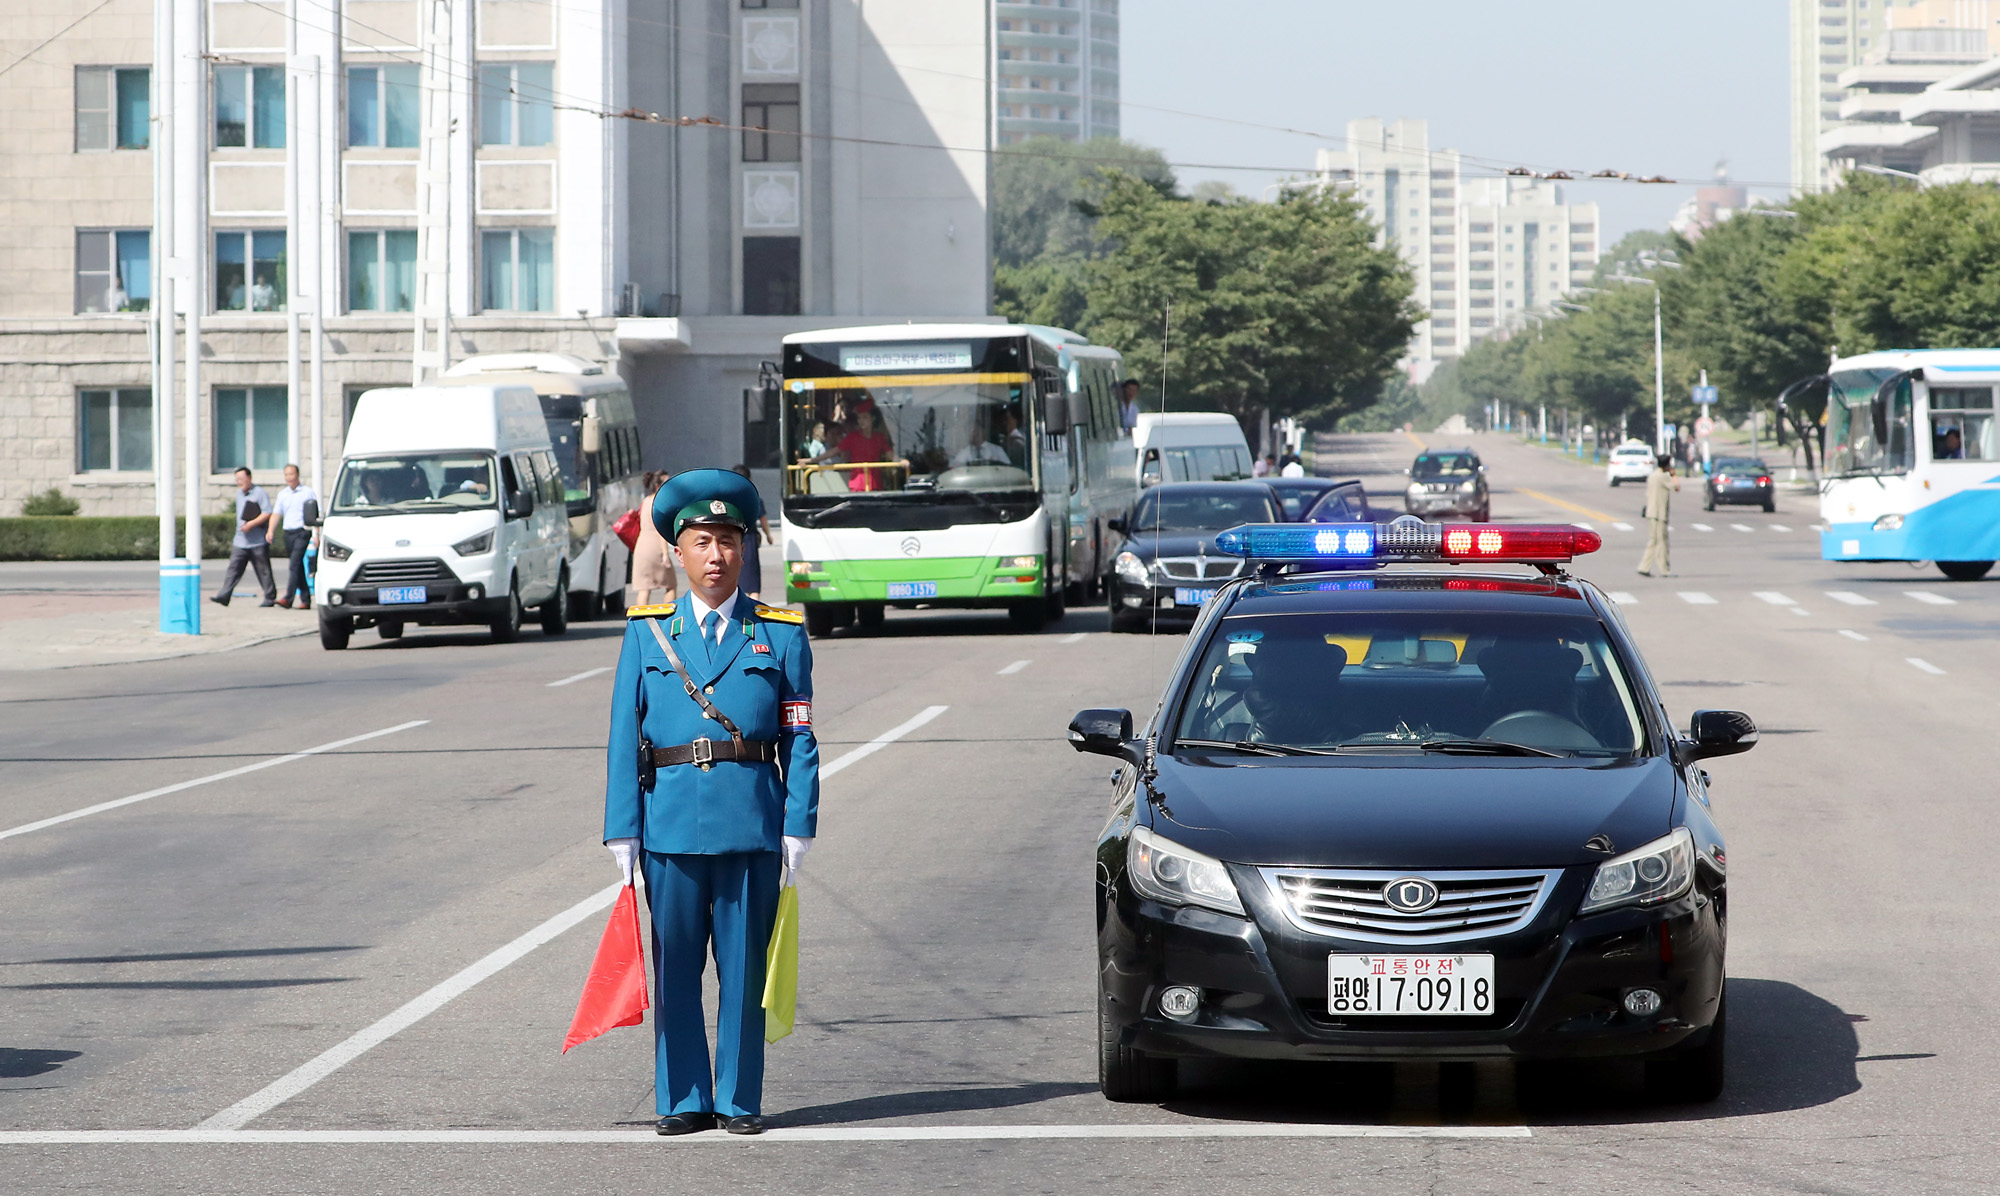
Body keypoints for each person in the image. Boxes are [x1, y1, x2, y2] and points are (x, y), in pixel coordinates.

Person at [602, 469, 819, 1137]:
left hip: (751, 824)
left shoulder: (779, 634)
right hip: (668, 828)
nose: (716, 555)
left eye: (728, 540)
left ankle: (737, 1098)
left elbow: (799, 733)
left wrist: (798, 823)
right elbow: (622, 736)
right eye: (701, 541)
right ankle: (683, 1097)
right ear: (677, 550)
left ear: (746, 548)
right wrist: (622, 830)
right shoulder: (647, 633)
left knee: (746, 972)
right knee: (674, 973)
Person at [210, 467, 276, 607]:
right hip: (240, 541)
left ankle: (270, 597)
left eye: (241, 479)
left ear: (249, 478)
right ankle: (224, 595)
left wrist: (251, 524)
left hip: (257, 541)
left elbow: (267, 513)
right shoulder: (239, 494)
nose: (239, 482)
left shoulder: (259, 493)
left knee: (263, 571)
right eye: (237, 480)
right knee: (233, 569)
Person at [812, 400, 898, 491]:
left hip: (875, 483)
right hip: (858, 484)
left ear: (873, 418)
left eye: (865, 417)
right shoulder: (853, 437)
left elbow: (891, 455)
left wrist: (902, 461)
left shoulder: (879, 438)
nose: (861, 421)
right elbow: (834, 451)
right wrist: (812, 460)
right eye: (859, 418)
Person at [267, 463, 319, 610]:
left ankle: (288, 598)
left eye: (291, 474)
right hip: (288, 533)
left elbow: (315, 514)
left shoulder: (308, 492)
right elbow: (277, 513)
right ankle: (305, 600)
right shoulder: (282, 494)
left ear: (297, 475)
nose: (289, 478)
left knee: (294, 565)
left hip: (302, 532)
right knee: (298, 567)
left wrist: (316, 534)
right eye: (286, 475)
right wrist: (270, 530)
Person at [629, 471, 677, 607]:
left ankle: (641, 620)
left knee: (644, 589)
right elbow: (660, 531)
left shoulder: (645, 501)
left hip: (641, 546)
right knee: (670, 584)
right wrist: (665, 554)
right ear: (657, 486)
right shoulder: (660, 503)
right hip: (656, 547)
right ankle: (669, 616)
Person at [730, 464, 775, 599]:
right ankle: (753, 613)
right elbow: (763, 520)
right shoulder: (754, 499)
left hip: (732, 540)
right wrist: (768, 535)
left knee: (736, 577)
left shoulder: (729, 500)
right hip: (750, 540)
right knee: (753, 582)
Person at [1637, 454, 1680, 578]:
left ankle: (1644, 567)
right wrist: (1674, 475)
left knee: (1654, 540)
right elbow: (1677, 487)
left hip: (1651, 511)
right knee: (1662, 542)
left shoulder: (1653, 475)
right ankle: (1664, 570)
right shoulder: (1663, 477)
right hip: (1659, 513)